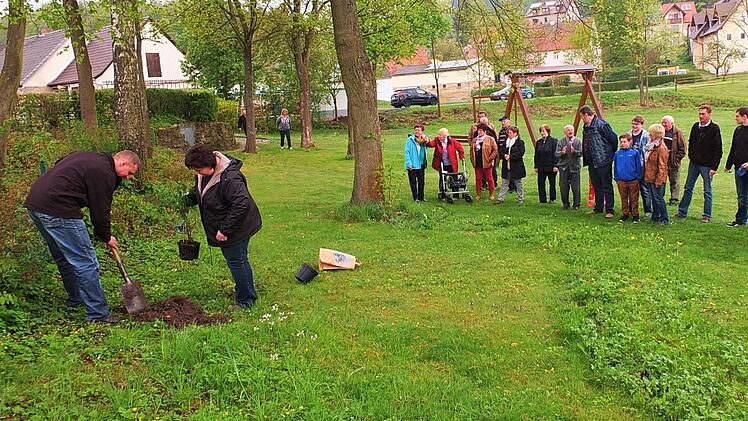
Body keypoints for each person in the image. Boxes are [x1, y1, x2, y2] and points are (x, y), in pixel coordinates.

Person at [25, 150, 141, 323]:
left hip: (36, 204)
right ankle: (98, 314)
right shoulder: (105, 173)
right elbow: (100, 212)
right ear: (123, 163)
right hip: (59, 209)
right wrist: (107, 237)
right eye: (130, 173)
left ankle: (77, 298)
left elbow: (60, 162)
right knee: (86, 262)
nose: (128, 177)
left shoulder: (93, 158)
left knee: (64, 257)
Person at [183, 145, 262, 309]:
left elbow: (241, 204)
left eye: (198, 170)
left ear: (210, 165)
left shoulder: (230, 178)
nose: (196, 173)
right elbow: (202, 189)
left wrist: (225, 229)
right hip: (227, 223)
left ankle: (246, 300)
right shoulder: (203, 172)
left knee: (237, 260)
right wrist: (189, 199)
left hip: (238, 226)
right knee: (235, 260)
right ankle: (245, 292)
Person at [676, 105, 722, 222]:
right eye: (700, 114)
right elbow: (691, 143)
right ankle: (682, 212)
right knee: (688, 188)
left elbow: (718, 149)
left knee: (707, 190)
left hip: (707, 165)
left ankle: (706, 215)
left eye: (703, 114)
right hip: (694, 163)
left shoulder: (714, 128)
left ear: (709, 114)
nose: (701, 116)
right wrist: (692, 156)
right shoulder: (695, 127)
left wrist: (714, 167)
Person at [580, 105, 618, 218]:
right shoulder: (586, 126)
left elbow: (613, 139)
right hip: (592, 161)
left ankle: (610, 210)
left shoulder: (602, 125)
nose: (581, 118)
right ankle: (598, 207)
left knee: (606, 185)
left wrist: (609, 155)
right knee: (596, 185)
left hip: (603, 160)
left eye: (582, 116)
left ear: (587, 115)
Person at [724, 107, 748, 227]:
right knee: (742, 195)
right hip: (739, 168)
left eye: (737, 116)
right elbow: (734, 149)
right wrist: (728, 165)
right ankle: (741, 220)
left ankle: (741, 219)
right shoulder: (738, 130)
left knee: (745, 196)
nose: (735, 118)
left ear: (744, 117)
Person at [426, 128, 465, 200]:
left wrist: (461, 156)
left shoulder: (452, 141)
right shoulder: (437, 140)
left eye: (440, 135)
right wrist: (427, 141)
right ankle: (442, 193)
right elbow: (431, 144)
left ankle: (455, 195)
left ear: (445, 135)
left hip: (451, 163)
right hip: (442, 163)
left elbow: (460, 148)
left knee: (454, 178)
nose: (438, 136)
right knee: (442, 178)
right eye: (438, 134)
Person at [643, 124, 670, 225]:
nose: (649, 135)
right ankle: (655, 216)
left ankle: (665, 219)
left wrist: (659, 180)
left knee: (659, 198)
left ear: (656, 135)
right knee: (654, 198)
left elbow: (662, 166)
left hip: (657, 178)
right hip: (650, 176)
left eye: (651, 134)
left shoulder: (661, 148)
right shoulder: (652, 146)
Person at [614, 133, 642, 223]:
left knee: (634, 198)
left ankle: (635, 215)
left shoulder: (634, 153)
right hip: (621, 180)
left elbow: (638, 166)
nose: (622, 144)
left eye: (625, 142)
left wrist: (638, 177)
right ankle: (625, 213)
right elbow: (615, 166)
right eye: (621, 142)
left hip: (633, 180)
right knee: (624, 198)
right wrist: (617, 177)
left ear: (630, 142)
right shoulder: (617, 154)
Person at [628, 115, 651, 217]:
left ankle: (648, 210)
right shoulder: (628, 134)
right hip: (630, 165)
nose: (634, 126)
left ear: (641, 125)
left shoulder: (646, 135)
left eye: (637, 124)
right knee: (631, 188)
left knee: (644, 188)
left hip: (642, 165)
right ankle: (630, 209)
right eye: (633, 124)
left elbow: (647, 150)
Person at [496, 126, 526, 204]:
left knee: (518, 183)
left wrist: (511, 157)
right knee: (505, 183)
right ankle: (500, 198)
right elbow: (501, 151)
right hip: (506, 166)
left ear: (515, 133)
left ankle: (520, 198)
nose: (508, 134)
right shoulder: (506, 142)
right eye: (508, 133)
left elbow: (521, 153)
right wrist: (504, 155)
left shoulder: (520, 143)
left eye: (510, 133)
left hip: (516, 167)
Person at [661, 115, 687, 205]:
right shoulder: (660, 132)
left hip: (673, 161)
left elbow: (683, 149)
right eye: (662, 123)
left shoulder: (677, 133)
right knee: (661, 179)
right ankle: (660, 197)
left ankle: (674, 198)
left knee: (674, 180)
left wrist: (676, 159)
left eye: (665, 123)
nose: (664, 124)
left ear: (671, 123)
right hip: (662, 161)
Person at [556, 125, 583, 210]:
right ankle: (565, 204)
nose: (570, 131)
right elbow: (556, 154)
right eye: (568, 130)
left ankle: (576, 205)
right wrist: (562, 152)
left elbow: (582, 153)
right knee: (563, 187)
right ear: (565, 132)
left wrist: (574, 151)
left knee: (576, 187)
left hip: (575, 167)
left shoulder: (578, 141)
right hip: (564, 168)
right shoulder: (561, 141)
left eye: (572, 130)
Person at [469, 123, 498, 201]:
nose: (479, 132)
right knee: (478, 179)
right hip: (478, 163)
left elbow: (495, 150)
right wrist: (472, 160)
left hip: (487, 163)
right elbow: (471, 151)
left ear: (485, 131)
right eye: (478, 130)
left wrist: (490, 159)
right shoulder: (475, 140)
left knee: (489, 178)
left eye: (481, 130)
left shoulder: (490, 139)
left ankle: (491, 194)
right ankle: (478, 194)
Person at [404, 124, 429, 202]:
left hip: (421, 164)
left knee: (421, 181)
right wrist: (409, 164)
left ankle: (421, 197)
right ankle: (415, 198)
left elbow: (428, 143)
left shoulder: (424, 139)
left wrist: (427, 140)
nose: (417, 132)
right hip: (413, 165)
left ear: (422, 131)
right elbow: (407, 152)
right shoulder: (410, 140)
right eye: (416, 130)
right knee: (413, 182)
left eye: (418, 130)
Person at [534, 124, 558, 204]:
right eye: (541, 131)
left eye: (543, 131)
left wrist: (556, 165)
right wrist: (536, 166)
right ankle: (542, 199)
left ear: (547, 131)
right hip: (541, 166)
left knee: (552, 183)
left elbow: (556, 154)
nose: (542, 133)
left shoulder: (554, 141)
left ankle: (552, 198)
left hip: (551, 166)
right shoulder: (538, 142)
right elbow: (536, 154)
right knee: (541, 182)